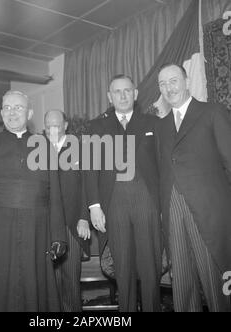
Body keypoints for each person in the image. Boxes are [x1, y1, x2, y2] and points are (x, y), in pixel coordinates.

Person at [0, 90, 67, 312]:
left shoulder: (45, 146)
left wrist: (58, 236)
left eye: (18, 107)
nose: (12, 112)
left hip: (37, 232)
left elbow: (55, 196)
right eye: (7, 108)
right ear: (1, 113)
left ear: (29, 113)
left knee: (35, 290)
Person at [155, 63, 231, 312]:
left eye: (173, 80)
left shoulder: (212, 112)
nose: (168, 88)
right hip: (173, 213)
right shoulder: (161, 127)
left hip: (208, 214)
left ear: (186, 81)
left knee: (216, 284)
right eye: (163, 84)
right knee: (183, 287)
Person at [85, 74, 162, 312]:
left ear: (135, 94)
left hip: (146, 201)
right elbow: (89, 169)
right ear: (109, 97)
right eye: (117, 92)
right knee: (123, 268)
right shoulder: (96, 126)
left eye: (127, 90)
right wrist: (94, 206)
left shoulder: (153, 123)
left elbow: (163, 165)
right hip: (113, 203)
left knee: (150, 267)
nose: (122, 95)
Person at [44, 109, 91, 312]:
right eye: (48, 126)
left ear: (65, 125)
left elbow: (87, 186)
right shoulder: (37, 152)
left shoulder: (80, 149)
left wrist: (83, 217)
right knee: (50, 284)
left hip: (72, 225)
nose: (52, 130)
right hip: (46, 227)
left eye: (56, 125)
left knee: (71, 282)